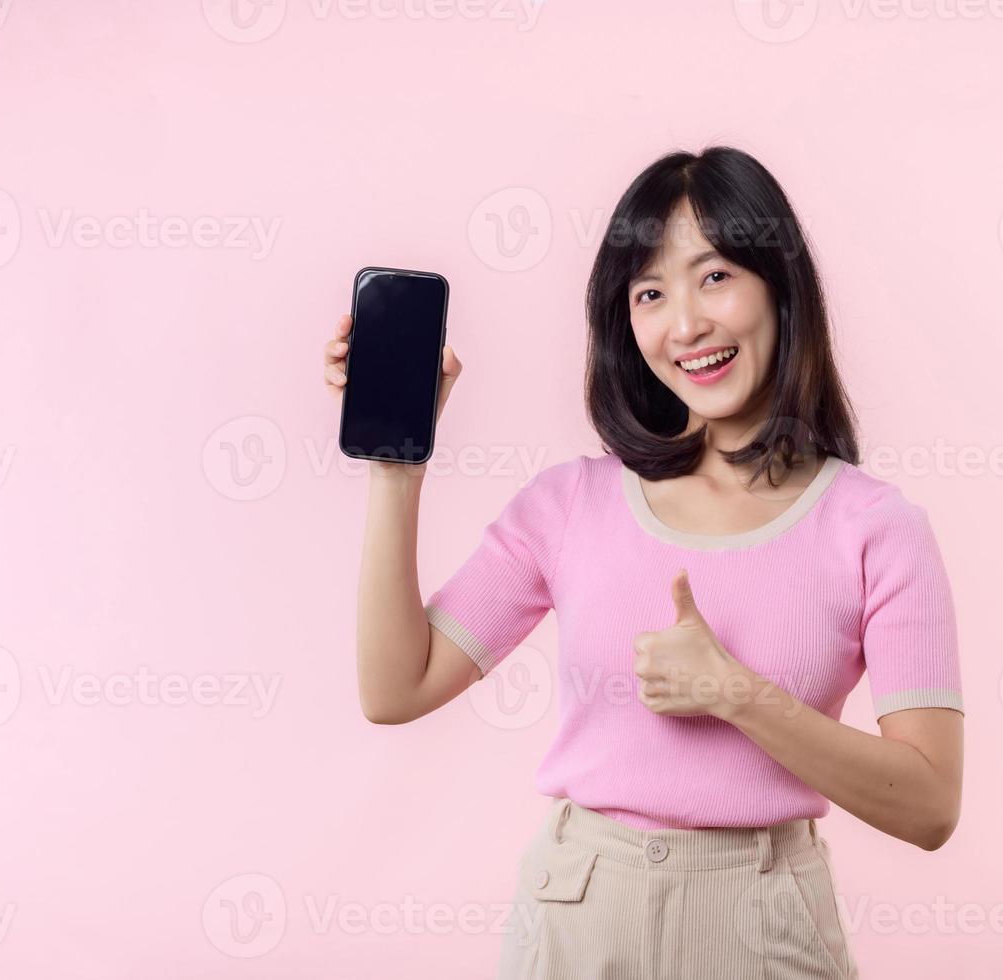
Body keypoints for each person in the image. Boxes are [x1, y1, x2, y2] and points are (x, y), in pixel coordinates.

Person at [324, 145, 964, 979]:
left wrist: (734, 693)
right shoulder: (569, 505)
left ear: (779, 286)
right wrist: (397, 469)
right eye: (650, 293)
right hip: (579, 916)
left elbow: (929, 805)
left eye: (715, 276)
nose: (686, 324)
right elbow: (395, 688)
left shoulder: (876, 526)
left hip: (765, 926)